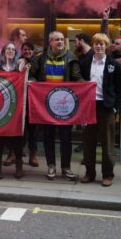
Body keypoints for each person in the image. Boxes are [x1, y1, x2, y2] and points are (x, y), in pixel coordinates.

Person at [31, 31, 84, 181]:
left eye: (61, 39)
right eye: (56, 40)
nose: (60, 42)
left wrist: (87, 86)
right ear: (50, 42)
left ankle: (66, 167)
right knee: (48, 136)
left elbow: (77, 77)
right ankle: (51, 166)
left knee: (66, 137)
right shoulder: (41, 58)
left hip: (65, 106)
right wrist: (32, 81)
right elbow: (32, 74)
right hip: (46, 105)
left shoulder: (71, 58)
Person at [79, 33, 121, 187]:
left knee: (107, 144)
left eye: (102, 44)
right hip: (88, 107)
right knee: (88, 142)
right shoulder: (85, 62)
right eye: (96, 44)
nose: (98, 46)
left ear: (106, 46)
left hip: (106, 107)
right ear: (92, 45)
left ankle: (108, 175)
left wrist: (115, 107)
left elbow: (120, 88)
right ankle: (89, 173)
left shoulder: (113, 64)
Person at [0, 42, 23, 179]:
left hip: (15, 107)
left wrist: (26, 69)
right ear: (3, 52)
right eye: (8, 49)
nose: (10, 51)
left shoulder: (19, 67)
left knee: (17, 138)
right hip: (0, 106)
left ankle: (19, 166)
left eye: (13, 50)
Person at [18, 41, 39, 167]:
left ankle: (33, 154)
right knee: (19, 129)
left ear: (33, 51)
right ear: (22, 50)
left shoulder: (37, 62)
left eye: (29, 49)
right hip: (19, 101)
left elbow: (41, 77)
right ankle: (16, 154)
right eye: (25, 49)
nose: (27, 51)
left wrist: (33, 80)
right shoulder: (18, 62)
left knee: (32, 130)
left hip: (32, 101)